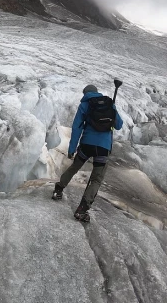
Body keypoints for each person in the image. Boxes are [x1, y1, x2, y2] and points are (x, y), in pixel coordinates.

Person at [52, 84, 123, 222]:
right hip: (103, 148)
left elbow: (77, 127)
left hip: (86, 145)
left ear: (85, 93)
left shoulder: (85, 105)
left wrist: (72, 149)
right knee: (96, 179)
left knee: (74, 167)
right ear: (96, 92)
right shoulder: (109, 103)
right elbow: (119, 125)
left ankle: (58, 190)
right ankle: (82, 210)